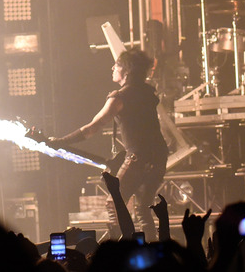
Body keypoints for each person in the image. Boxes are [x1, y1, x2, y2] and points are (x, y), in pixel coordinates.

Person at [49, 48, 169, 240]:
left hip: (138, 159)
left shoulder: (120, 97)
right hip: (159, 157)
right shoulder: (147, 92)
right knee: (143, 208)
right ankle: (154, 250)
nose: (113, 67)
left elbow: (92, 128)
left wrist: (61, 141)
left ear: (126, 71)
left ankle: (121, 248)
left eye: (117, 65)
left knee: (114, 203)